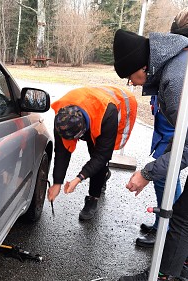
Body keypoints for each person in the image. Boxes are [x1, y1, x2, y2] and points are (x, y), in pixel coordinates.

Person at [113, 27, 188, 281]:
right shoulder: (178, 63)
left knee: (181, 218)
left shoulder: (176, 78)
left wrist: (147, 173)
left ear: (144, 67)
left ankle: (159, 279)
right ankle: (183, 264)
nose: (132, 84)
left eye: (131, 77)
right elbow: (181, 137)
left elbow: (187, 146)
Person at [137, 7, 188, 248]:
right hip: (166, 128)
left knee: (166, 174)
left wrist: (147, 173)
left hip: (175, 130)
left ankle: (168, 229)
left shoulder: (179, 73)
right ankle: (162, 223)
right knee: (164, 172)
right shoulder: (175, 61)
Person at [47, 85, 137, 220]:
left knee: (99, 160)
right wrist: (57, 182)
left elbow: (101, 156)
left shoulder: (107, 114)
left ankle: (93, 197)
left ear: (84, 132)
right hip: (88, 106)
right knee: (79, 155)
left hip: (112, 110)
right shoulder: (62, 119)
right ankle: (103, 176)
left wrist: (78, 178)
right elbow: (61, 152)